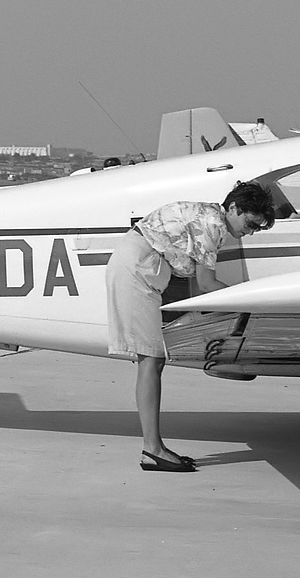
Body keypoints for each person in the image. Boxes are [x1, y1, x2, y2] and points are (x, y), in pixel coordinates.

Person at [105, 181, 276, 471]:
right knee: (151, 359)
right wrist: (251, 304)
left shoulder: (211, 218)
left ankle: (153, 448)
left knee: (153, 360)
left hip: (143, 264)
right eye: (250, 223)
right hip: (138, 268)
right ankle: (152, 450)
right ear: (233, 208)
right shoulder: (212, 224)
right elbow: (206, 283)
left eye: (257, 228)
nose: (250, 231)